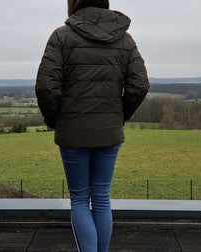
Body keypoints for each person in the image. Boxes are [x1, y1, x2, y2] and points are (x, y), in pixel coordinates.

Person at [35, 0, 149, 251]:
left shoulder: (60, 37)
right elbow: (140, 85)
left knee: (78, 199)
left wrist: (56, 120)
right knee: (101, 198)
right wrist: (118, 116)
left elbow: (46, 87)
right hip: (109, 132)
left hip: (72, 134)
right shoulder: (125, 40)